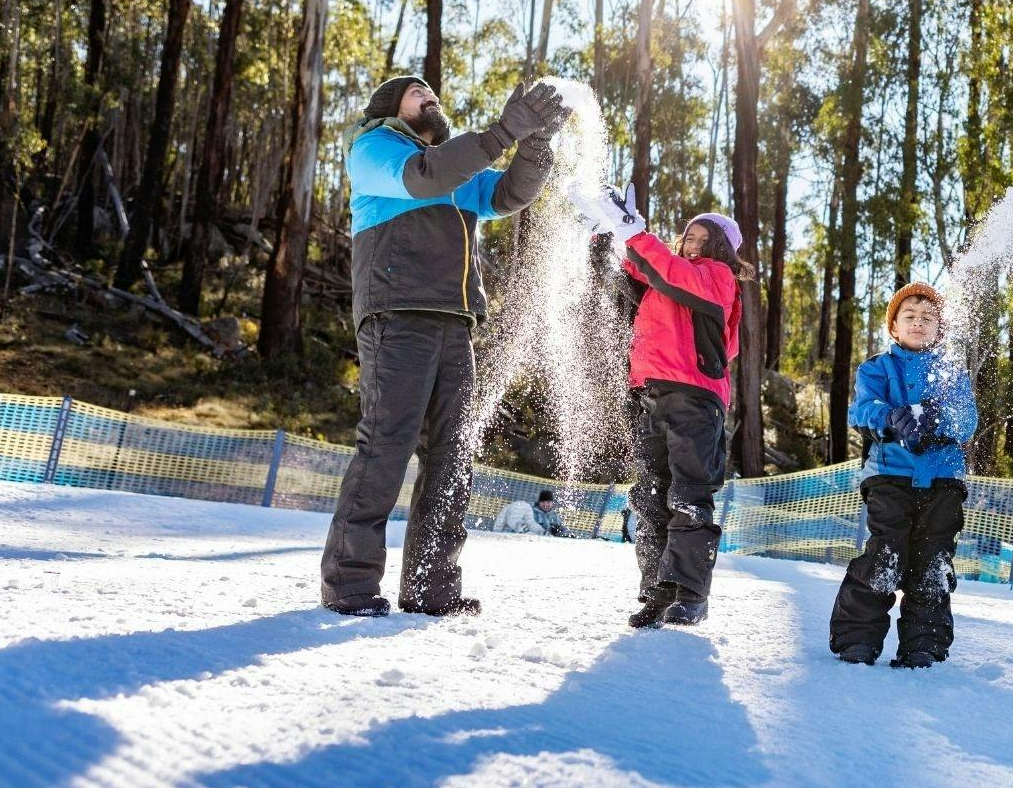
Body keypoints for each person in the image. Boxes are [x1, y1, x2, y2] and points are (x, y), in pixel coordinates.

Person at [320, 74, 569, 618]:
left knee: (453, 460)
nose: (429, 97)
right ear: (391, 107)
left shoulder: (455, 167)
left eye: (433, 94)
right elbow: (423, 178)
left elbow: (508, 195)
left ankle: (432, 588)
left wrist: (534, 143)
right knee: (385, 447)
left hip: (455, 324)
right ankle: (350, 582)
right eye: (417, 93)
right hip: (396, 314)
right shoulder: (376, 149)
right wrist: (504, 130)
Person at [572, 184, 753, 628]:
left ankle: (689, 593)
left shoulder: (716, 278)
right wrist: (602, 236)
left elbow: (669, 272)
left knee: (689, 495)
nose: (691, 243)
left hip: (695, 396)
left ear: (721, 247)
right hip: (650, 395)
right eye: (687, 236)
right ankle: (656, 589)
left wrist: (634, 230)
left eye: (702, 237)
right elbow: (625, 279)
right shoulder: (664, 276)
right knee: (650, 495)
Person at [828, 283, 977, 669]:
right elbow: (862, 409)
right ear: (894, 327)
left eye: (928, 318)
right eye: (909, 316)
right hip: (889, 477)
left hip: (943, 480)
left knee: (932, 560)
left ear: (939, 328)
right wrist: (890, 417)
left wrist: (934, 420)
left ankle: (923, 644)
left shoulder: (951, 373)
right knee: (886, 553)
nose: (918, 322)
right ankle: (857, 638)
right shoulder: (877, 368)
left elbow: (966, 420)